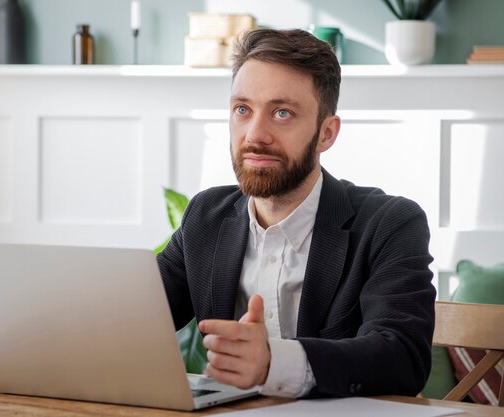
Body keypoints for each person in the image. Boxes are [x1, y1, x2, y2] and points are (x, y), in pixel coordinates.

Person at [156, 28, 435, 399]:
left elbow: (402, 356)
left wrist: (276, 361)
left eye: (282, 113)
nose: (255, 134)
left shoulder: (390, 223)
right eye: (243, 109)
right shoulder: (205, 216)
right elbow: (131, 319)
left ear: (326, 134)